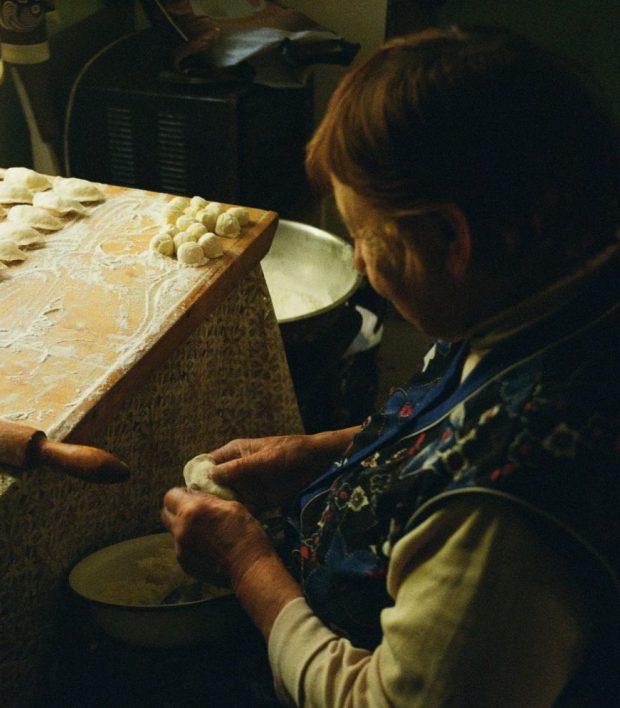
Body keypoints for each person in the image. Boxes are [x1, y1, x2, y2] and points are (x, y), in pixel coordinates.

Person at [161, 25, 620, 706]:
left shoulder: (508, 525)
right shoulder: (552, 278)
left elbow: (382, 700)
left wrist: (247, 564)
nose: (359, 265)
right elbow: (465, 415)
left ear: (449, 238)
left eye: (366, 237)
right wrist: (323, 452)